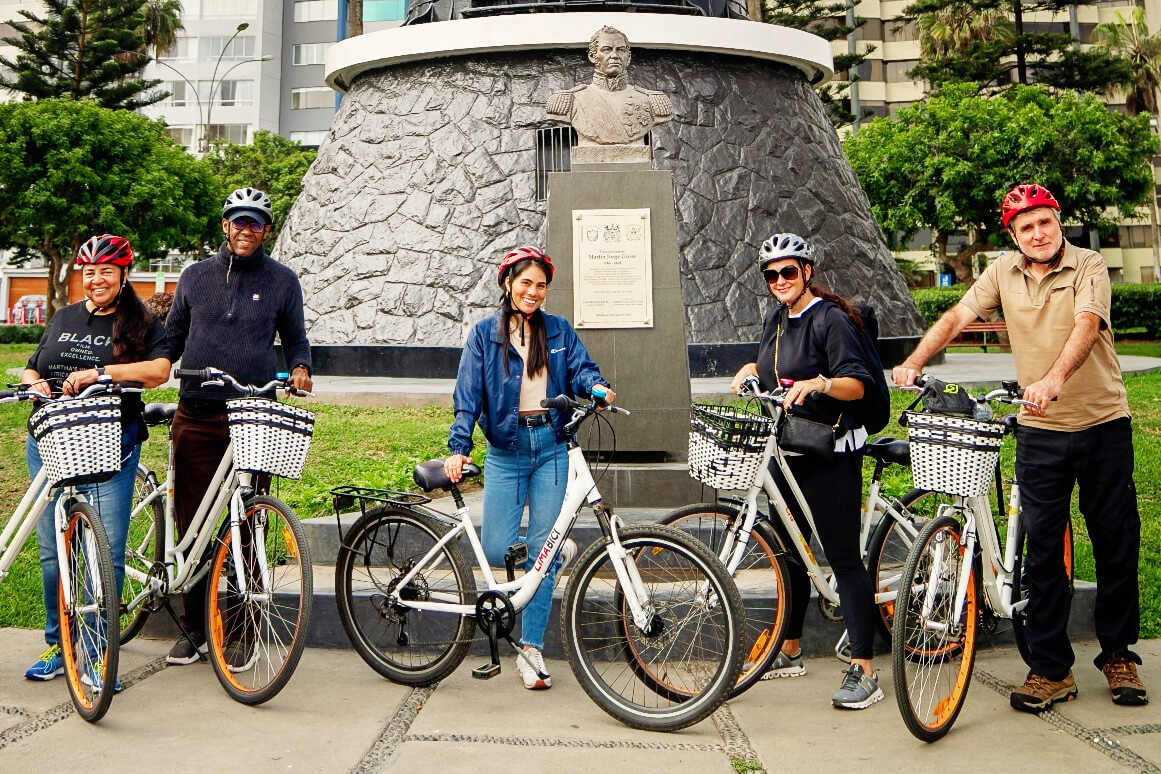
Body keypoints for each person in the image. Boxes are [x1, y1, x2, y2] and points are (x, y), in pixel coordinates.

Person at [893, 184, 1146, 712]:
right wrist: (915, 361)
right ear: (1013, 234)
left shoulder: (1088, 265)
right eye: (1026, 227)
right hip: (1040, 434)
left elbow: (1087, 325)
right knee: (1042, 553)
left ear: (1059, 222)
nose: (1038, 234)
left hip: (1101, 423)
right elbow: (959, 317)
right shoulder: (1002, 271)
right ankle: (1052, 669)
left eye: (1045, 223)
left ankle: (1119, 655)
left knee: (1114, 543)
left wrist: (1052, 380)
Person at [444, 245, 614, 690]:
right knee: (499, 547)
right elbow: (468, 397)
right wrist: (459, 447)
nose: (533, 292)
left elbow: (581, 369)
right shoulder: (485, 334)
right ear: (507, 284)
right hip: (507, 448)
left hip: (552, 445)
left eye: (541, 285)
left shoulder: (556, 330)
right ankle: (556, 551)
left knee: (541, 550)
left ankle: (532, 648)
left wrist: (597, 386)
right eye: (525, 283)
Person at [729, 233, 883, 710]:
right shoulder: (777, 316)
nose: (779, 281)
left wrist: (822, 382)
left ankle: (864, 668)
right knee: (788, 550)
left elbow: (859, 385)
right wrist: (747, 369)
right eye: (771, 274)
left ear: (807, 272)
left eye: (788, 271)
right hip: (790, 446)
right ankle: (789, 648)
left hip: (831, 449)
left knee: (842, 557)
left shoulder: (831, 319)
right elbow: (770, 359)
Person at [163, 187, 313, 666]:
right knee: (192, 521)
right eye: (238, 222)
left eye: (255, 223)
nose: (245, 230)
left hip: (253, 415)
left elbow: (296, 339)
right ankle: (194, 628)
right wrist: (156, 364)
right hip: (197, 413)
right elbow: (171, 337)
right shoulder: (195, 276)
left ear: (265, 230)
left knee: (249, 520)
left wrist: (300, 368)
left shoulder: (282, 281)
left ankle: (244, 628)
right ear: (225, 226)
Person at [21, 235, 172, 685]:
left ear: (124, 275)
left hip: (111, 445)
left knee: (104, 552)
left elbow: (159, 371)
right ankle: (60, 643)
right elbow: (33, 364)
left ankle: (99, 654)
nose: (96, 278)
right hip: (51, 441)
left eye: (106, 270)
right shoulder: (65, 315)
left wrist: (102, 372)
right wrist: (34, 382)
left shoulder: (141, 321)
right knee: (54, 553)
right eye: (88, 271)